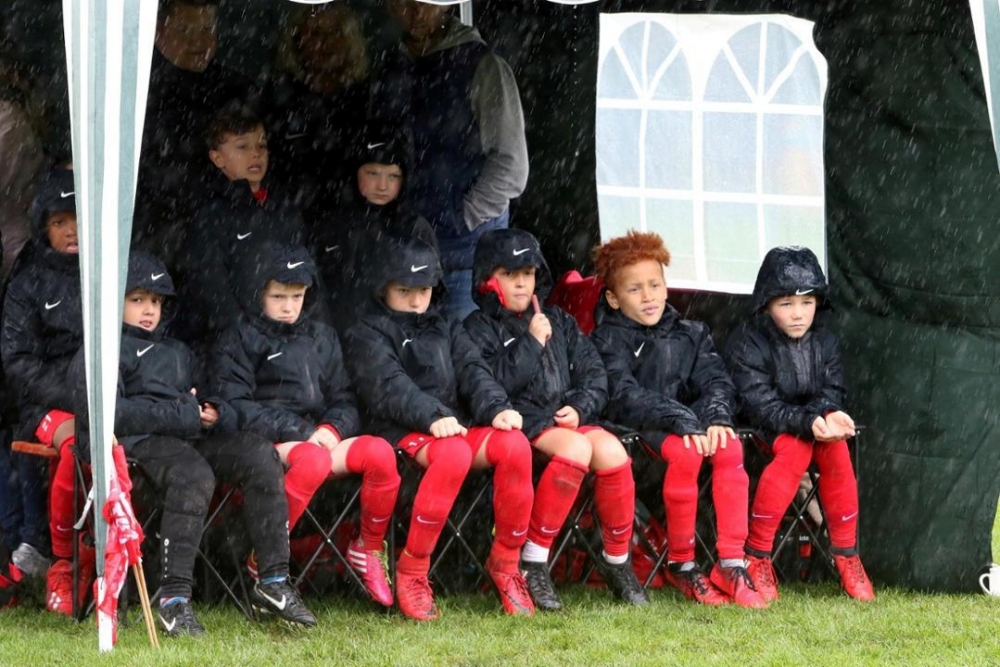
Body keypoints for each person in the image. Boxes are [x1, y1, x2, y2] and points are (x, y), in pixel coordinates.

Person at [69, 252, 316, 636]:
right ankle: (174, 600)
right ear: (114, 301)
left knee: (258, 453)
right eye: (137, 300)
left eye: (155, 301)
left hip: (184, 439)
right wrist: (181, 413)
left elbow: (204, 395)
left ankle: (273, 580)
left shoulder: (178, 351)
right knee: (193, 472)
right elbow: (107, 417)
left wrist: (212, 410)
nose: (149, 310)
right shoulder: (99, 351)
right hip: (129, 447)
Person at [344, 237, 534, 620]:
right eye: (405, 291)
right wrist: (432, 415)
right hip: (397, 430)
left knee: (515, 444)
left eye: (424, 290)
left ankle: (506, 564)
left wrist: (497, 407)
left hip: (449, 426)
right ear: (383, 288)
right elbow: (388, 387)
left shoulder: (446, 323)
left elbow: (472, 369)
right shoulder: (367, 330)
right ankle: (413, 570)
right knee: (454, 453)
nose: (417, 301)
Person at [463, 228, 647, 611]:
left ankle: (617, 562)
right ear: (487, 280)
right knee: (576, 448)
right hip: (518, 421)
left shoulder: (559, 321)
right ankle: (533, 561)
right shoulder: (477, 327)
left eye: (528, 274)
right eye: (510, 274)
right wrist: (531, 343)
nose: (521, 283)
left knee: (613, 453)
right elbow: (490, 385)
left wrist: (580, 406)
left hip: (565, 416)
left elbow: (595, 374)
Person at [210, 243, 400, 608]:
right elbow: (235, 405)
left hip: (319, 437)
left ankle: (367, 547)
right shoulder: (238, 337)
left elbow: (345, 398)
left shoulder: (322, 336)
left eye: (296, 296)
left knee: (379, 452)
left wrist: (332, 428)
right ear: (258, 294)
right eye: (278, 297)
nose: (288, 306)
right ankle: (266, 557)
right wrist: (300, 431)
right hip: (267, 441)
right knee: (312, 460)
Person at [590, 231, 767, 609]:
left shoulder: (693, 333)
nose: (648, 296)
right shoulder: (606, 340)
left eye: (655, 285)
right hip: (637, 438)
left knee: (729, 444)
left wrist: (715, 418)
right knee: (687, 452)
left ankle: (732, 563)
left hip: (689, 427)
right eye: (634, 289)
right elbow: (623, 397)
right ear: (613, 298)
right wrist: (681, 418)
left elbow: (716, 382)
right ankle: (682, 564)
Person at [724, 245, 874, 602]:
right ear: (766, 304)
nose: (798, 313)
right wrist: (809, 421)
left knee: (837, 449)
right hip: (760, 430)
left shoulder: (826, 340)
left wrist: (828, 412)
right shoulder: (747, 342)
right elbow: (759, 405)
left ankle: (846, 555)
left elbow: (832, 389)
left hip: (810, 425)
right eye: (786, 303)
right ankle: (757, 556)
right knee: (795, 450)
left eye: (807, 303)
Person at [376, 0, 529, 319]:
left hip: (468, 259)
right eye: (405, 2)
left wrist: (464, 215)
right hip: (406, 255)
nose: (416, 11)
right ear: (390, 6)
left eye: (426, 2)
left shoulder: (482, 65)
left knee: (466, 345)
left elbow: (511, 165)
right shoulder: (391, 66)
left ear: (446, 6)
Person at [0, 168, 82, 614]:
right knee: (77, 445)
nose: (72, 230)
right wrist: (74, 394)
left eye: (79, 218)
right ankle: (61, 561)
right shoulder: (27, 284)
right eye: (59, 221)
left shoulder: (115, 274)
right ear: (43, 228)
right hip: (47, 406)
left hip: (118, 400)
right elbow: (18, 363)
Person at [174, 104, 307, 351]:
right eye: (242, 146)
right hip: (235, 347)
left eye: (262, 146)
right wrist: (250, 339)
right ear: (217, 158)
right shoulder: (209, 213)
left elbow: (307, 276)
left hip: (287, 338)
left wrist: (314, 339)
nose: (256, 154)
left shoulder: (285, 208)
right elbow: (212, 288)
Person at [133, 0, 256, 267]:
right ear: (158, 30)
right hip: (156, 240)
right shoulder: (136, 91)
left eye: (207, 29)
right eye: (186, 30)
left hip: (228, 233)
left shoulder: (238, 90)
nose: (199, 41)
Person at [315, 124, 436, 331]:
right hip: (340, 329)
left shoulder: (415, 227)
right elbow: (319, 287)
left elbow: (431, 291)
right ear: (355, 173)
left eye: (393, 176)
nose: (382, 185)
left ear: (405, 179)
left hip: (399, 336)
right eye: (372, 173)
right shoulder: (334, 225)